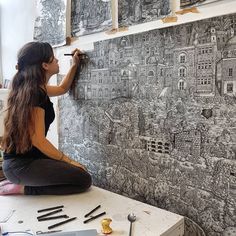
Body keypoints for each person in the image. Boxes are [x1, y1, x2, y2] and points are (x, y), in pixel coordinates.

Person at [0, 41, 92, 195]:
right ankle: (23, 188)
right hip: (22, 165)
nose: (56, 60)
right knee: (83, 179)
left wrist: (74, 65)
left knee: (78, 174)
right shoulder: (35, 94)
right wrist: (68, 160)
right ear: (45, 65)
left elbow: (62, 88)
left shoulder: (32, 89)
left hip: (24, 161)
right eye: (52, 58)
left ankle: (22, 181)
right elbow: (38, 140)